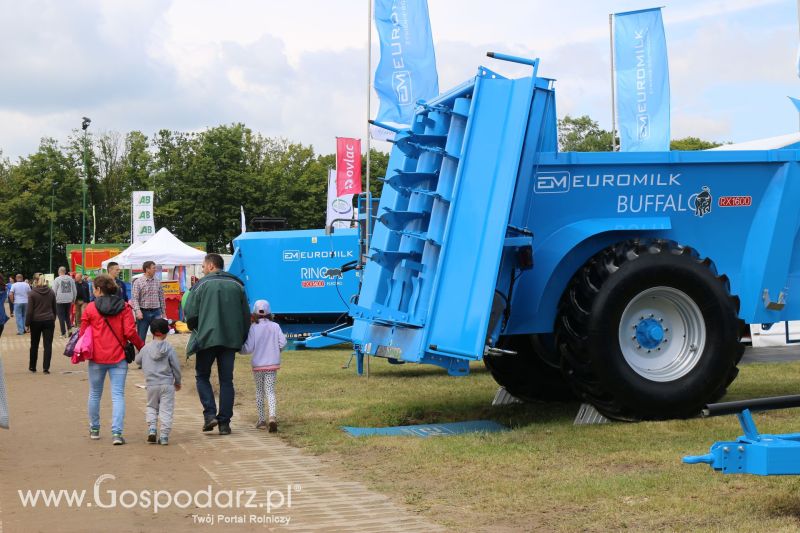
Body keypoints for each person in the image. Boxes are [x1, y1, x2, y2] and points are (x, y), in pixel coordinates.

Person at [184, 253, 250, 435]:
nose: (203, 269)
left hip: (207, 339)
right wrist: (241, 338)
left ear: (211, 266)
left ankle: (210, 414)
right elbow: (246, 316)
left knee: (202, 376)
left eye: (204, 266)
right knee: (226, 381)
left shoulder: (201, 285)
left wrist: (197, 328)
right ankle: (224, 424)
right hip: (230, 340)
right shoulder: (238, 285)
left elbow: (190, 313)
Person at [80, 274, 144, 445]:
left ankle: (94, 429)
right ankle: (117, 433)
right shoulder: (124, 307)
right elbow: (130, 332)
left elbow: (83, 333)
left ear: (99, 289)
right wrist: (142, 346)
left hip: (96, 357)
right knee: (117, 395)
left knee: (94, 394)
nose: (92, 291)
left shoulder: (90, 309)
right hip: (118, 357)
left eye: (94, 288)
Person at [240, 300, 286, 433]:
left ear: (254, 312)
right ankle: (272, 417)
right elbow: (282, 343)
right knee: (270, 391)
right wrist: (276, 351)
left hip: (258, 366)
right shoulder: (276, 326)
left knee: (260, 391)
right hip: (272, 365)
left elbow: (248, 348)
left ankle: (261, 419)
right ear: (269, 312)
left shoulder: (253, 327)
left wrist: (239, 350)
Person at [134, 318, 181, 445]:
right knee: (166, 410)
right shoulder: (169, 348)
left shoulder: (146, 348)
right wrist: (178, 381)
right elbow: (176, 366)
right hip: (167, 384)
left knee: (151, 407)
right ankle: (164, 436)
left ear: (153, 332)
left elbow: (137, 360)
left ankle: (152, 429)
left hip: (151, 384)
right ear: (166, 332)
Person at [26, 276, 57, 374]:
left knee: (34, 344)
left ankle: (32, 367)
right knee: (48, 345)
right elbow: (54, 307)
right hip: (49, 320)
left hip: (35, 321)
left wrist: (27, 323)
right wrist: (53, 317)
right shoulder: (51, 292)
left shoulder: (32, 293)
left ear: (35, 282)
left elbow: (29, 311)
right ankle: (46, 368)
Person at [130, 261, 166, 342]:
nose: (155, 270)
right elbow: (135, 298)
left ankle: (156, 353)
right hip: (143, 313)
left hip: (156, 312)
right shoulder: (138, 282)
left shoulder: (157, 281)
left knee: (158, 336)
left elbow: (161, 297)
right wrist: (138, 311)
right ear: (147, 269)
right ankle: (141, 353)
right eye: (153, 268)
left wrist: (163, 313)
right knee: (141, 337)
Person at [53, 266, 77, 338]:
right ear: (65, 271)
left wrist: (54, 300)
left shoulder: (57, 279)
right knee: (67, 316)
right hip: (69, 300)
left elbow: (54, 290)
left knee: (61, 317)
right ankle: (69, 330)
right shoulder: (71, 279)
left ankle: (63, 333)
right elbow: (74, 290)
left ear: (59, 271)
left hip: (59, 300)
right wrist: (73, 299)